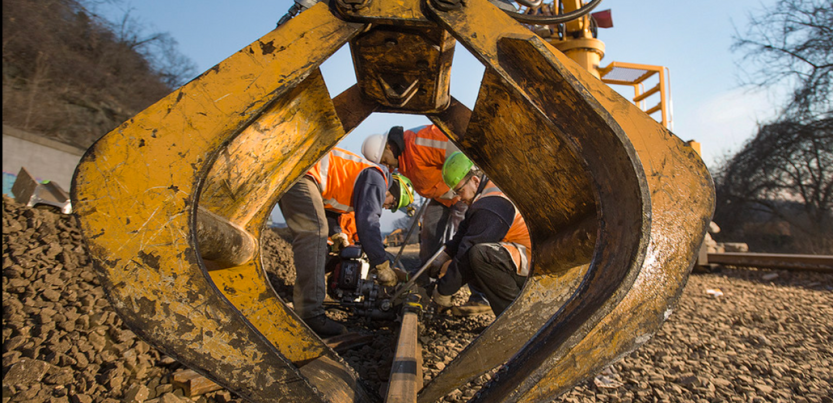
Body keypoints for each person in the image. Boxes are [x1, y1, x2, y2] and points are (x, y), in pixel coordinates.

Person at [278, 147, 414, 336]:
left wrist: (336, 234)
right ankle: (310, 315)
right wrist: (381, 265)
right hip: (304, 171)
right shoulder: (377, 178)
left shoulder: (361, 183)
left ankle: (308, 302)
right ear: (391, 190)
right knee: (315, 234)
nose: (386, 206)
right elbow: (368, 221)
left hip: (302, 171)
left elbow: (330, 209)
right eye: (391, 203)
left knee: (319, 236)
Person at [362, 125, 491, 315]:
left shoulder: (419, 141)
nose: (387, 166)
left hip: (463, 191)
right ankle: (424, 286)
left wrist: (469, 186)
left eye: (385, 161)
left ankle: (480, 295)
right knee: (429, 238)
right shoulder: (401, 162)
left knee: (467, 242)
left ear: (389, 147)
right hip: (441, 198)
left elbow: (458, 151)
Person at [429, 152, 532, 317]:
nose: (458, 198)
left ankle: (514, 317)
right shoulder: (485, 195)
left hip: (529, 265)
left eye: (459, 191)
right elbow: (463, 235)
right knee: (475, 256)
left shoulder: (491, 205)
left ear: (475, 180)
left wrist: (443, 291)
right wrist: (445, 255)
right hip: (517, 259)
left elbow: (466, 253)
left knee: (478, 256)